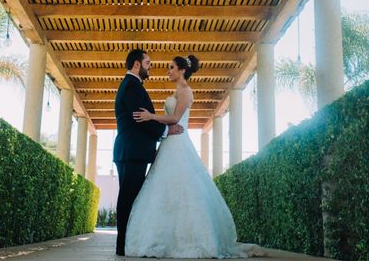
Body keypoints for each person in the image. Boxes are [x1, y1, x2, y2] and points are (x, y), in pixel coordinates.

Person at [125, 55, 264, 258]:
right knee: (164, 189)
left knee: (183, 188)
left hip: (178, 142)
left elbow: (174, 118)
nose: (168, 71)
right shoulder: (177, 91)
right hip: (169, 143)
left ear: (182, 70)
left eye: (171, 68)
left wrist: (151, 116)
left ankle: (189, 239)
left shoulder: (186, 91)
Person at [113, 49, 184, 256]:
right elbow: (139, 118)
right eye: (147, 62)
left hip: (131, 150)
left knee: (130, 197)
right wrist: (165, 130)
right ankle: (123, 245)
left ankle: (125, 243)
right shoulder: (132, 86)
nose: (150, 66)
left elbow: (144, 117)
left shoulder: (132, 85)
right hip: (132, 151)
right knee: (129, 198)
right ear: (137, 64)